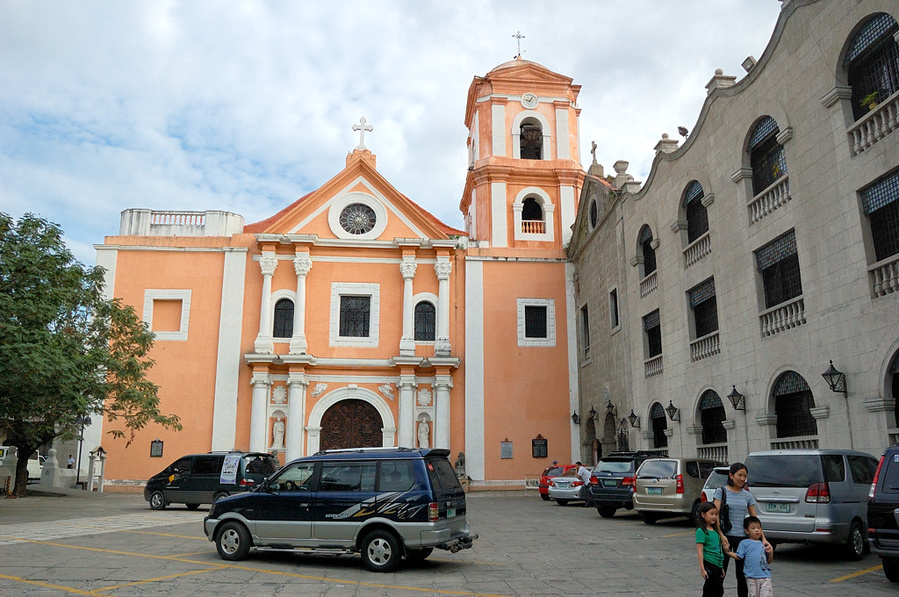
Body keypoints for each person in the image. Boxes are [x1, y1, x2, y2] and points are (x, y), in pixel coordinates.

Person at [713, 462, 770, 597]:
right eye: (740, 475)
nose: (743, 479)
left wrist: (763, 538)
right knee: (720, 573)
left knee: (743, 576)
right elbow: (714, 516)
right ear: (731, 475)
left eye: (745, 476)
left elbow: (755, 520)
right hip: (725, 537)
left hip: (743, 540)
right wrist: (721, 535)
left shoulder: (747, 495)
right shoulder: (721, 492)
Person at [725, 516, 773, 597]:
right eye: (753, 528)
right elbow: (738, 556)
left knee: (766, 594)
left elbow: (769, 561)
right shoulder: (744, 543)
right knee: (752, 594)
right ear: (747, 531)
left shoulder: (763, 543)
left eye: (758, 528)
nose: (756, 530)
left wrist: (771, 552)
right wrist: (728, 552)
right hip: (751, 577)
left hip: (765, 576)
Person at [695, 501, 726, 597]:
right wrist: (702, 569)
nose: (714, 517)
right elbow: (700, 551)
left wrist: (721, 567)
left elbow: (719, 550)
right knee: (713, 589)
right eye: (711, 514)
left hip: (717, 564)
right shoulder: (701, 531)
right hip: (709, 563)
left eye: (715, 514)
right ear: (703, 515)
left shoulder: (715, 531)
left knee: (716, 589)